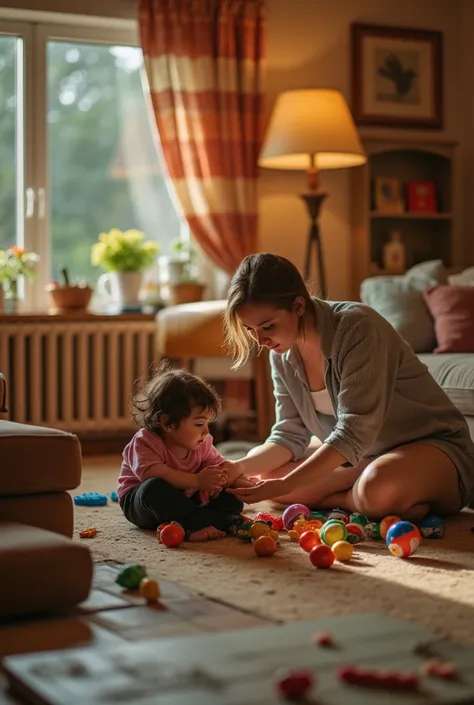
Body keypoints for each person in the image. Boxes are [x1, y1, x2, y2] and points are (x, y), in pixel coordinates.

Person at [224, 253, 474, 521]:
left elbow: (353, 432)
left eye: (267, 326)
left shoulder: (357, 327)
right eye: (250, 330)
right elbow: (288, 435)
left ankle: (352, 495)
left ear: (298, 305)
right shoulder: (282, 354)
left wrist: (288, 486)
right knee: (264, 476)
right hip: (363, 456)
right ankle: (356, 488)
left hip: (433, 448)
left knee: (375, 490)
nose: (260, 340)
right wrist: (236, 467)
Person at [118, 364, 251, 541]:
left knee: (230, 495)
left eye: (207, 424)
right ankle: (214, 523)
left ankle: (204, 519)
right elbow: (150, 474)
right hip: (145, 505)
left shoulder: (202, 442)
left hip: (187, 500)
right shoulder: (145, 441)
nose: (206, 432)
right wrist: (197, 480)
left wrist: (241, 482)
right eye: (199, 424)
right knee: (153, 488)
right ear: (168, 424)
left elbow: (219, 468)